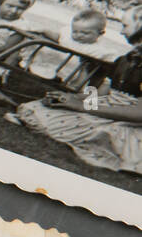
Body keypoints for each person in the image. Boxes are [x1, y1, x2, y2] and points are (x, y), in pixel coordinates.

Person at [13, 44, 142, 174]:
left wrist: (82, 106)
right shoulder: (125, 60)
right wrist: (72, 98)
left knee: (104, 131)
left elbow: (138, 114)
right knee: (44, 109)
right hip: (102, 106)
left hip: (128, 120)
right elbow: (102, 92)